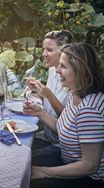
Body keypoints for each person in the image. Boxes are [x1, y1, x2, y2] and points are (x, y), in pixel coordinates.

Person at [24, 42, 104, 188]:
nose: (57, 70)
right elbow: (63, 128)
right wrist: (40, 113)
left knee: (26, 179)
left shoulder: (89, 109)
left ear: (81, 71)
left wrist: (44, 172)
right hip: (67, 160)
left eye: (63, 66)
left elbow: (89, 165)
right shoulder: (75, 93)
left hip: (88, 179)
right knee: (22, 162)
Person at [28, 30, 74, 149]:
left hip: (61, 145)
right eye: (44, 49)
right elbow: (50, 107)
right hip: (47, 135)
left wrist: (49, 95)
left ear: (63, 52)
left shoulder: (73, 78)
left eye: (49, 50)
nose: (44, 54)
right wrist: (39, 93)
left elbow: (68, 120)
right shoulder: (52, 70)